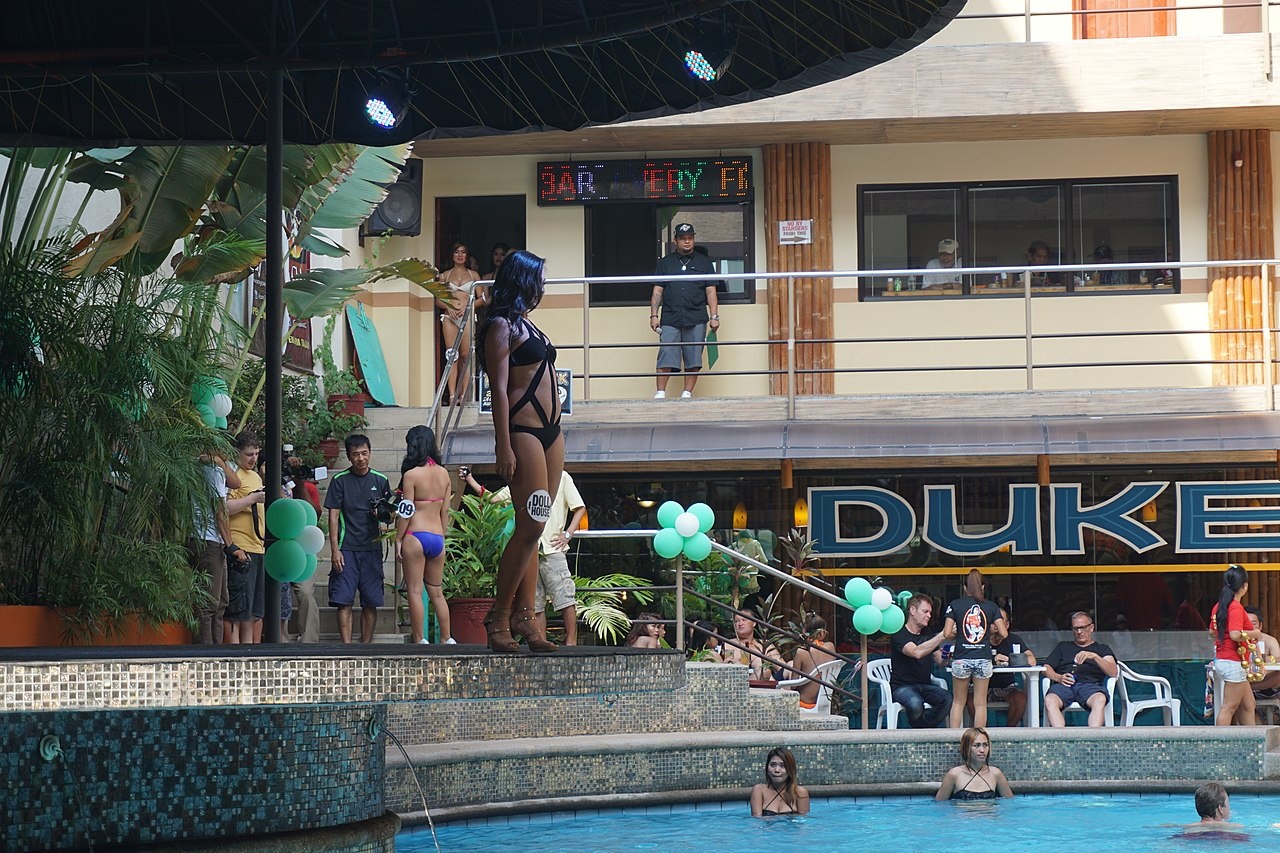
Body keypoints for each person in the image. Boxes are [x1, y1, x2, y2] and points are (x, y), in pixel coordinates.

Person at [478, 249, 562, 653]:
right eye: (539, 279)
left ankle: (526, 617)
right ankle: (498, 617)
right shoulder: (500, 325)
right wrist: (503, 444)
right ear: (523, 279)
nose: (542, 287)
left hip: (551, 432)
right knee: (530, 526)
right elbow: (497, 388)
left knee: (537, 527)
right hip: (522, 430)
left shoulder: (528, 325)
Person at [467, 467, 585, 645]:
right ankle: (541, 641)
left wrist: (567, 534)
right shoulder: (524, 478)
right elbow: (494, 499)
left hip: (552, 547)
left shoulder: (561, 476)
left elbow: (580, 508)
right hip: (531, 550)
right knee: (536, 604)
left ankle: (571, 642)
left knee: (565, 597)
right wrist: (470, 480)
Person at [324, 434, 392, 644]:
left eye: (364, 453)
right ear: (349, 456)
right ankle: (347, 650)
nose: (361, 458)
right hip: (346, 548)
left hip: (372, 548)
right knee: (343, 600)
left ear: (370, 453)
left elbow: (390, 515)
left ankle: (366, 647)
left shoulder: (380, 480)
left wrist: (383, 516)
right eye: (356, 454)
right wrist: (335, 551)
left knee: (370, 601)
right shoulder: (339, 480)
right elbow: (333, 516)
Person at [395, 425, 454, 645]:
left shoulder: (411, 475)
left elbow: (407, 511)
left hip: (415, 535)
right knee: (437, 592)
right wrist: (442, 537)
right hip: (437, 536)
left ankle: (420, 639)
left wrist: (398, 538)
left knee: (414, 590)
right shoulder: (444, 474)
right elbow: (445, 511)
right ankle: (447, 638)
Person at [650, 222, 722, 400]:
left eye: (690, 238)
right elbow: (657, 291)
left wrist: (714, 316)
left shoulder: (704, 262)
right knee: (666, 353)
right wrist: (654, 315)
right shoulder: (665, 263)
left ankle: (687, 393)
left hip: (696, 316)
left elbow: (711, 291)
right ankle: (660, 393)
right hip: (670, 317)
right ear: (675, 240)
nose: (687, 242)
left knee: (694, 357)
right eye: (683, 239)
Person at [944, 569, 1006, 729]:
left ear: (965, 588)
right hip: (983, 658)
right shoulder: (991, 607)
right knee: (980, 703)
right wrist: (988, 631)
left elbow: (946, 633)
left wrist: (959, 633)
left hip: (961, 658)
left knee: (958, 702)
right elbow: (1004, 633)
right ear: (983, 587)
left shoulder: (954, 605)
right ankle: (979, 738)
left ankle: (954, 738)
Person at [189, 453, 241, 644]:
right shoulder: (213, 471)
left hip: (211, 541)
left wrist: (220, 462)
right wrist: (231, 545)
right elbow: (220, 511)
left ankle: (216, 649)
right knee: (208, 604)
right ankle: (204, 652)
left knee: (220, 602)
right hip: (208, 540)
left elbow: (236, 483)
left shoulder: (216, 467)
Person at [224, 432, 267, 644]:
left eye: (256, 454)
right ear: (237, 453)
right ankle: (233, 651)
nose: (253, 459)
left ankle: (249, 650)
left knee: (252, 611)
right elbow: (224, 508)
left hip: (258, 546)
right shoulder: (232, 475)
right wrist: (252, 498)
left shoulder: (255, 476)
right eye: (249, 454)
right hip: (240, 547)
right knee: (237, 609)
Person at [1043, 610, 1119, 727]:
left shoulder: (1102, 649)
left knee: (1100, 699)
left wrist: (1094, 656)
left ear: (1091, 627)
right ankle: (1060, 737)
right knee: (1050, 700)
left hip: (1090, 687)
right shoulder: (1063, 646)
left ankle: (1093, 737)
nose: (1079, 632)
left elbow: (1113, 672)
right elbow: (1046, 668)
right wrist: (1058, 678)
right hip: (1064, 685)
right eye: (1075, 628)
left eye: (1083, 628)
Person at [889, 594, 952, 728]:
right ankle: (921, 732)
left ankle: (924, 729)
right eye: (925, 611)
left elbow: (939, 660)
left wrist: (948, 656)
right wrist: (943, 635)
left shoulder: (927, 632)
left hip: (924, 685)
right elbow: (916, 653)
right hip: (902, 687)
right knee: (916, 704)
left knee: (947, 699)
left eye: (930, 612)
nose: (929, 616)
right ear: (912, 610)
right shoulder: (899, 633)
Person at [966, 606, 1035, 727]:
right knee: (971, 700)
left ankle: (1009, 733)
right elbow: (968, 660)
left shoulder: (1013, 639)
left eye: (999, 620)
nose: (995, 624)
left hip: (1006, 687)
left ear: (1007, 624)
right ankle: (983, 732)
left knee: (1020, 699)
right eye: (992, 620)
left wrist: (1011, 660)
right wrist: (992, 660)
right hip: (980, 687)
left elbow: (1032, 660)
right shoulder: (978, 640)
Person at [1210, 565, 1260, 726]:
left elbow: (1212, 632)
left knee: (1248, 704)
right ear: (1245, 586)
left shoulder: (1219, 606)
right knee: (1228, 707)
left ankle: (1251, 738)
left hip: (1224, 659)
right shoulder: (1236, 607)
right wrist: (1255, 633)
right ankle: (1219, 741)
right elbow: (1235, 634)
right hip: (1234, 661)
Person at [439, 241, 487, 406]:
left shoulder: (473, 275)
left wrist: (469, 306)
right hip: (450, 317)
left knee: (466, 356)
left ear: (467, 255)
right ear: (452, 255)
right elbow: (438, 299)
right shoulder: (444, 276)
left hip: (467, 317)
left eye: (463, 252)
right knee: (452, 355)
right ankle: (452, 395)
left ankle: (464, 395)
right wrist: (448, 306)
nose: (460, 255)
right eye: (456, 252)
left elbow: (483, 298)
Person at [935, 727, 1014, 801]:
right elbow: (940, 805)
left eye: (985, 745)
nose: (982, 750)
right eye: (976, 745)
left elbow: (1010, 803)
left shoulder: (996, 774)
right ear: (966, 748)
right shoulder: (954, 775)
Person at [790, 614, 840, 711]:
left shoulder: (801, 652)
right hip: (824, 700)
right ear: (823, 633)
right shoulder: (831, 647)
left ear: (804, 631)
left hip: (804, 702)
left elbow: (793, 686)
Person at [723, 611, 782, 682]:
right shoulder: (729, 644)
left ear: (754, 623)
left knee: (790, 665)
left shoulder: (765, 644)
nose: (740, 624)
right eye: (736, 621)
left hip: (765, 680)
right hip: (739, 682)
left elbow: (781, 667)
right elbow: (726, 669)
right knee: (759, 662)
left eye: (744, 620)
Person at [749, 748, 810, 817]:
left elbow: (803, 820)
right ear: (767, 769)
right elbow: (757, 820)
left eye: (782, 766)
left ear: (790, 769)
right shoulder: (758, 791)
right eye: (773, 765)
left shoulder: (799, 792)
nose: (777, 770)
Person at [1244, 606, 1280, 697]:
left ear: (1260, 626)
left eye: (1253, 623)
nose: (1250, 627)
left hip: (1265, 683)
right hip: (1242, 678)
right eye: (1246, 623)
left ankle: (1246, 689)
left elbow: (1278, 659)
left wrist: (1270, 659)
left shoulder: (1270, 640)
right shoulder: (1237, 640)